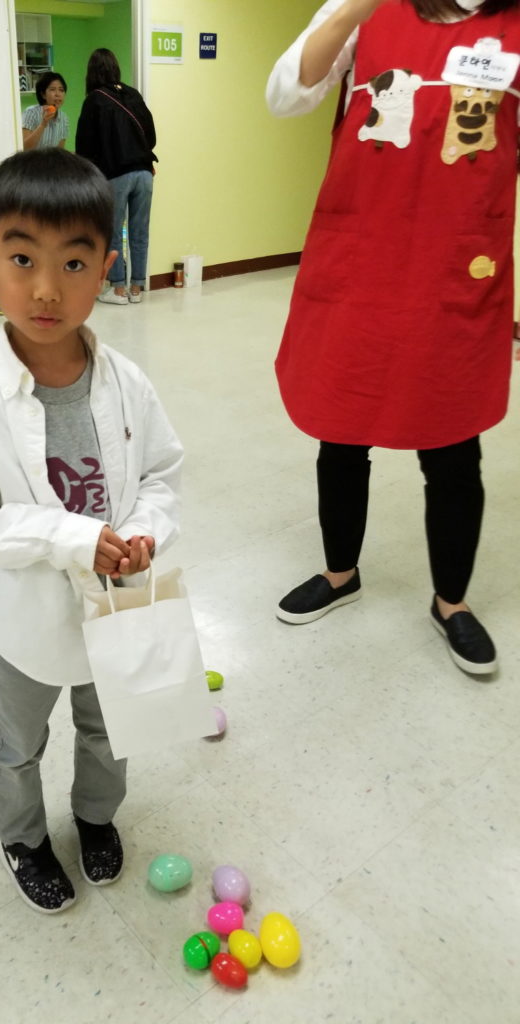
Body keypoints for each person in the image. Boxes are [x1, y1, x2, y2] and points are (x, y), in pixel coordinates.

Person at [0, 148, 183, 913]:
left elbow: (162, 473)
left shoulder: (127, 382)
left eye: (73, 263)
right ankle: (23, 836)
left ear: (106, 267)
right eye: (22, 259)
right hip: (23, 625)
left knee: (110, 726)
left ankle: (96, 817)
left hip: (118, 604)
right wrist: (66, 537)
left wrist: (146, 532)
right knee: (18, 741)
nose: (46, 288)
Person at [266, 0, 520, 675]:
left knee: (453, 445)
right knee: (343, 430)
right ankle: (340, 572)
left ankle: (451, 603)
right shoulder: (366, 11)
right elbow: (286, 95)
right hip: (363, 265)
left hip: (455, 270)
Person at [75, 48, 157, 305]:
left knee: (112, 233)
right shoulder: (133, 94)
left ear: (91, 72)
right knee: (139, 232)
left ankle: (118, 289)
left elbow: (84, 147)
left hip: (115, 175)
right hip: (144, 172)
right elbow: (151, 135)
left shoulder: (94, 100)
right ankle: (137, 288)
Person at [22, 71, 69, 150]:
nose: (57, 94)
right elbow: (24, 148)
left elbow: (60, 151)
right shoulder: (31, 113)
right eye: (52, 89)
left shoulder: (64, 118)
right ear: (43, 94)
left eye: (61, 90)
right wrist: (43, 124)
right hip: (32, 158)